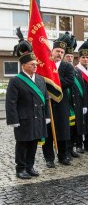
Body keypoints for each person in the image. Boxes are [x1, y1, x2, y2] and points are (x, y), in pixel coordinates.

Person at [6, 28, 49, 179]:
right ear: (23, 65)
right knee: (23, 144)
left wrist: (47, 116)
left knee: (33, 144)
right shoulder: (16, 81)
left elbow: (46, 99)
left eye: (35, 64)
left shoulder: (40, 80)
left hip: (38, 117)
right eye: (32, 64)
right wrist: (13, 120)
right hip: (23, 119)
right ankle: (20, 169)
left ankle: (30, 166)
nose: (35, 66)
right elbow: (11, 102)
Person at [42, 33, 75, 168]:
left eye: (62, 52)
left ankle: (63, 156)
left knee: (62, 131)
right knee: (48, 132)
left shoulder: (67, 66)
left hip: (61, 104)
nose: (60, 54)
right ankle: (49, 158)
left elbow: (69, 81)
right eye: (58, 51)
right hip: (47, 104)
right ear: (52, 51)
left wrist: (53, 82)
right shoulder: (45, 65)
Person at [63, 35, 85, 159]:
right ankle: (65, 151)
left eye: (71, 56)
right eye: (68, 56)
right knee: (66, 129)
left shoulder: (77, 71)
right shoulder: (61, 69)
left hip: (76, 104)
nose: (70, 58)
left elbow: (82, 89)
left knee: (74, 129)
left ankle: (71, 149)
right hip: (67, 104)